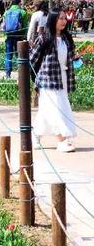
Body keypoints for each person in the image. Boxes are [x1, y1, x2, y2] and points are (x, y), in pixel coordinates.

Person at [31, 8, 77, 152]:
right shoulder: (44, 38)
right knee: (57, 109)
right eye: (60, 18)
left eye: (65, 18)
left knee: (47, 110)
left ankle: (35, 135)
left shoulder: (66, 38)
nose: (64, 21)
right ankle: (61, 140)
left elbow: (68, 57)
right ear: (53, 20)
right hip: (48, 80)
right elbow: (32, 58)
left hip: (62, 78)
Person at [2, 0, 27, 77]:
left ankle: (8, 74)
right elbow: (25, 26)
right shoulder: (22, 12)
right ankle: (21, 73)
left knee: (8, 55)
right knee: (19, 55)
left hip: (9, 36)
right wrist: (24, 36)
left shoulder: (6, 12)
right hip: (19, 36)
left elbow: (4, 26)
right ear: (19, 3)